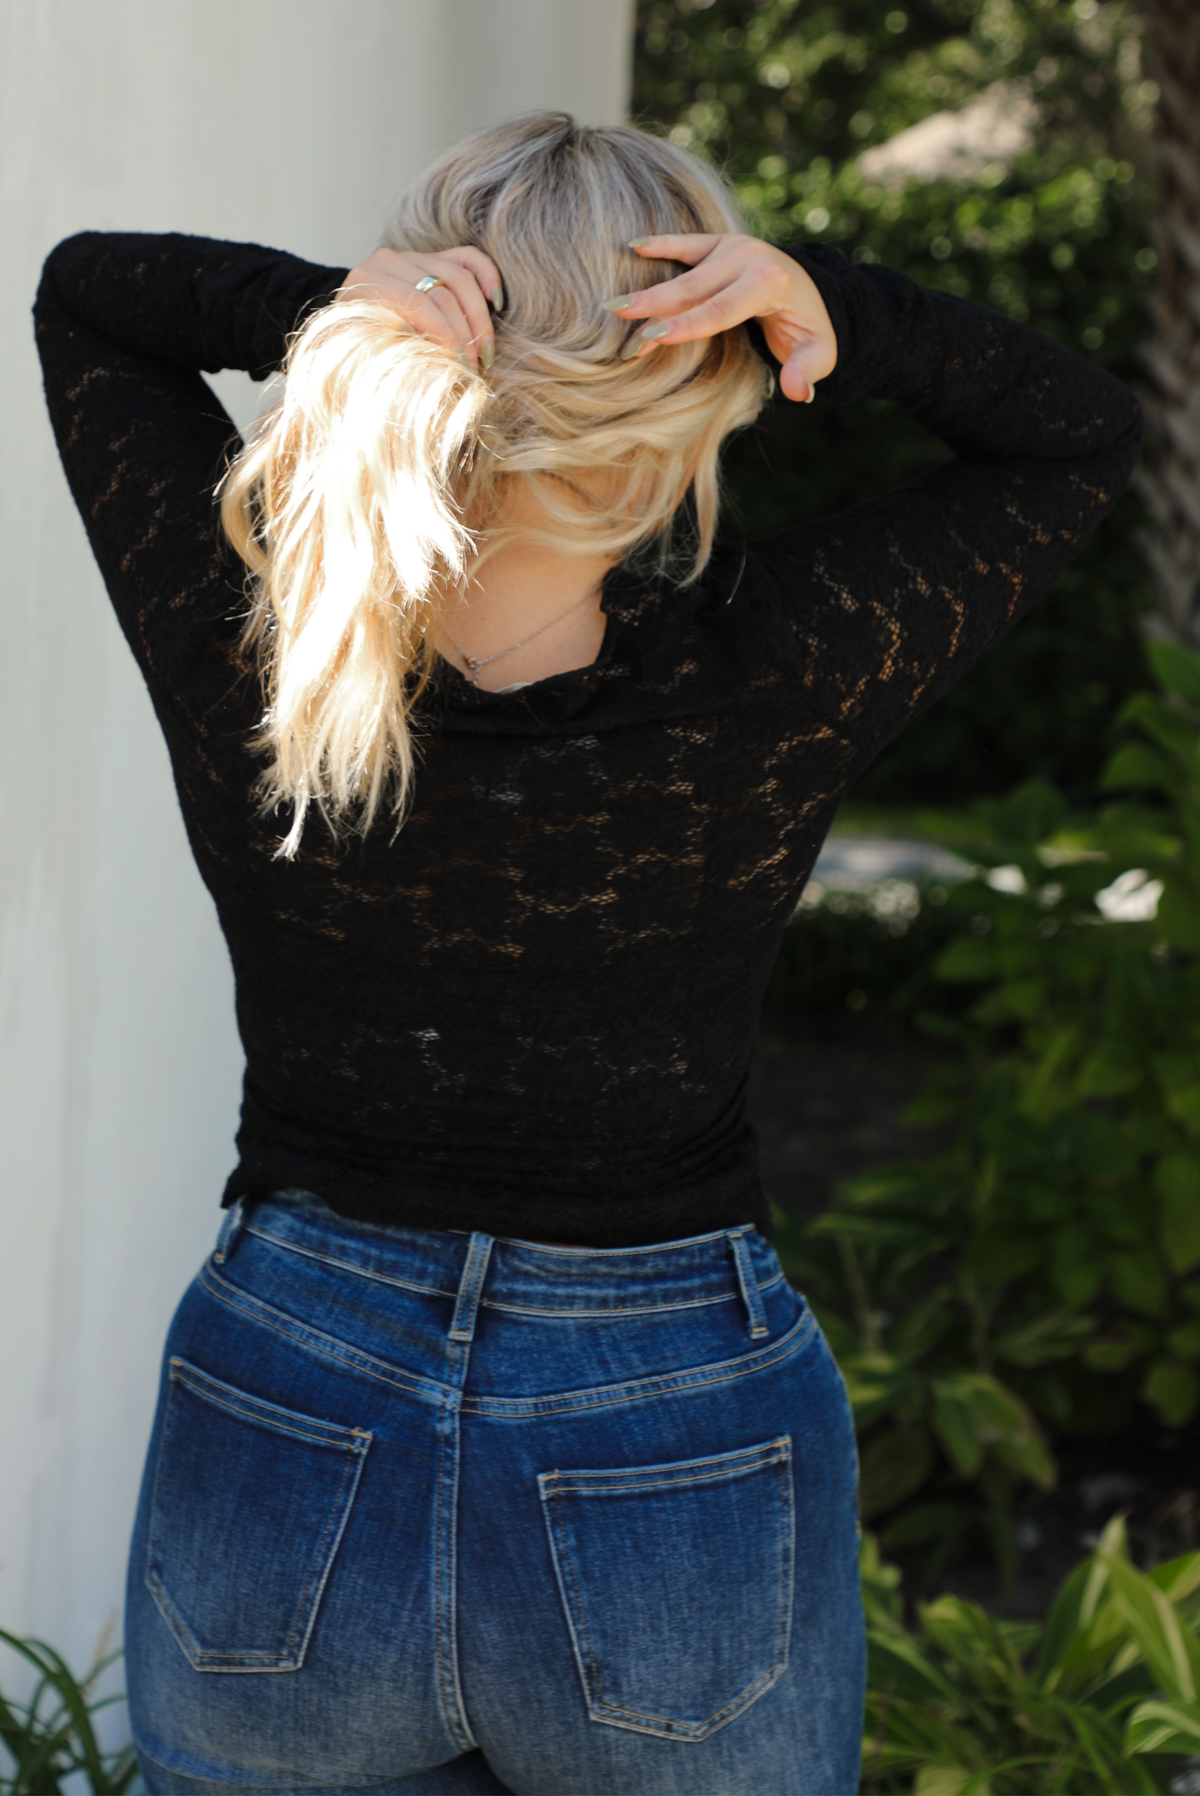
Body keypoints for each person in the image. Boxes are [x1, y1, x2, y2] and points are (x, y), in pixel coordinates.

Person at [33, 111, 1142, 1796]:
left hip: (290, 1396)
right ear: (698, 395)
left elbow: (87, 298)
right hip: (672, 1436)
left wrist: (346, 310)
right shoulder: (782, 670)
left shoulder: (261, 644)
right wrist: (827, 301)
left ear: (413, 345)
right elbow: (1073, 438)